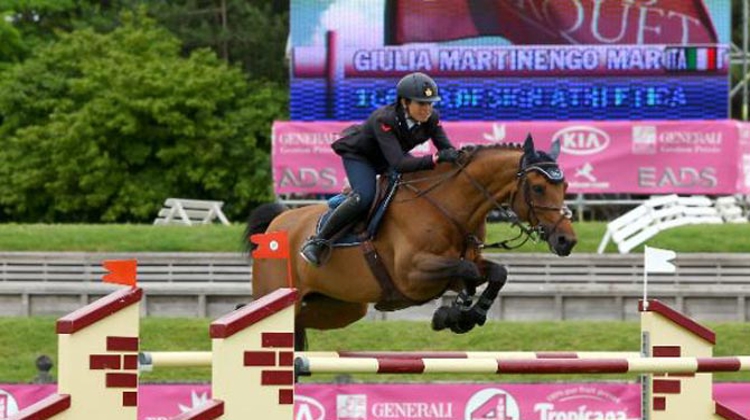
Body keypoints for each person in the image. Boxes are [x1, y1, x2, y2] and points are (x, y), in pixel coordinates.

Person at [300, 72, 459, 267]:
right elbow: (399, 163)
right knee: (364, 197)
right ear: (404, 102)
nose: (427, 109)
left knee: (420, 181)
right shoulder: (384, 119)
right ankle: (317, 242)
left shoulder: (432, 118)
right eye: (421, 104)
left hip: (389, 156)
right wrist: (434, 158)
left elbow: (447, 149)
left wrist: (459, 157)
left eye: (430, 103)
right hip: (361, 156)